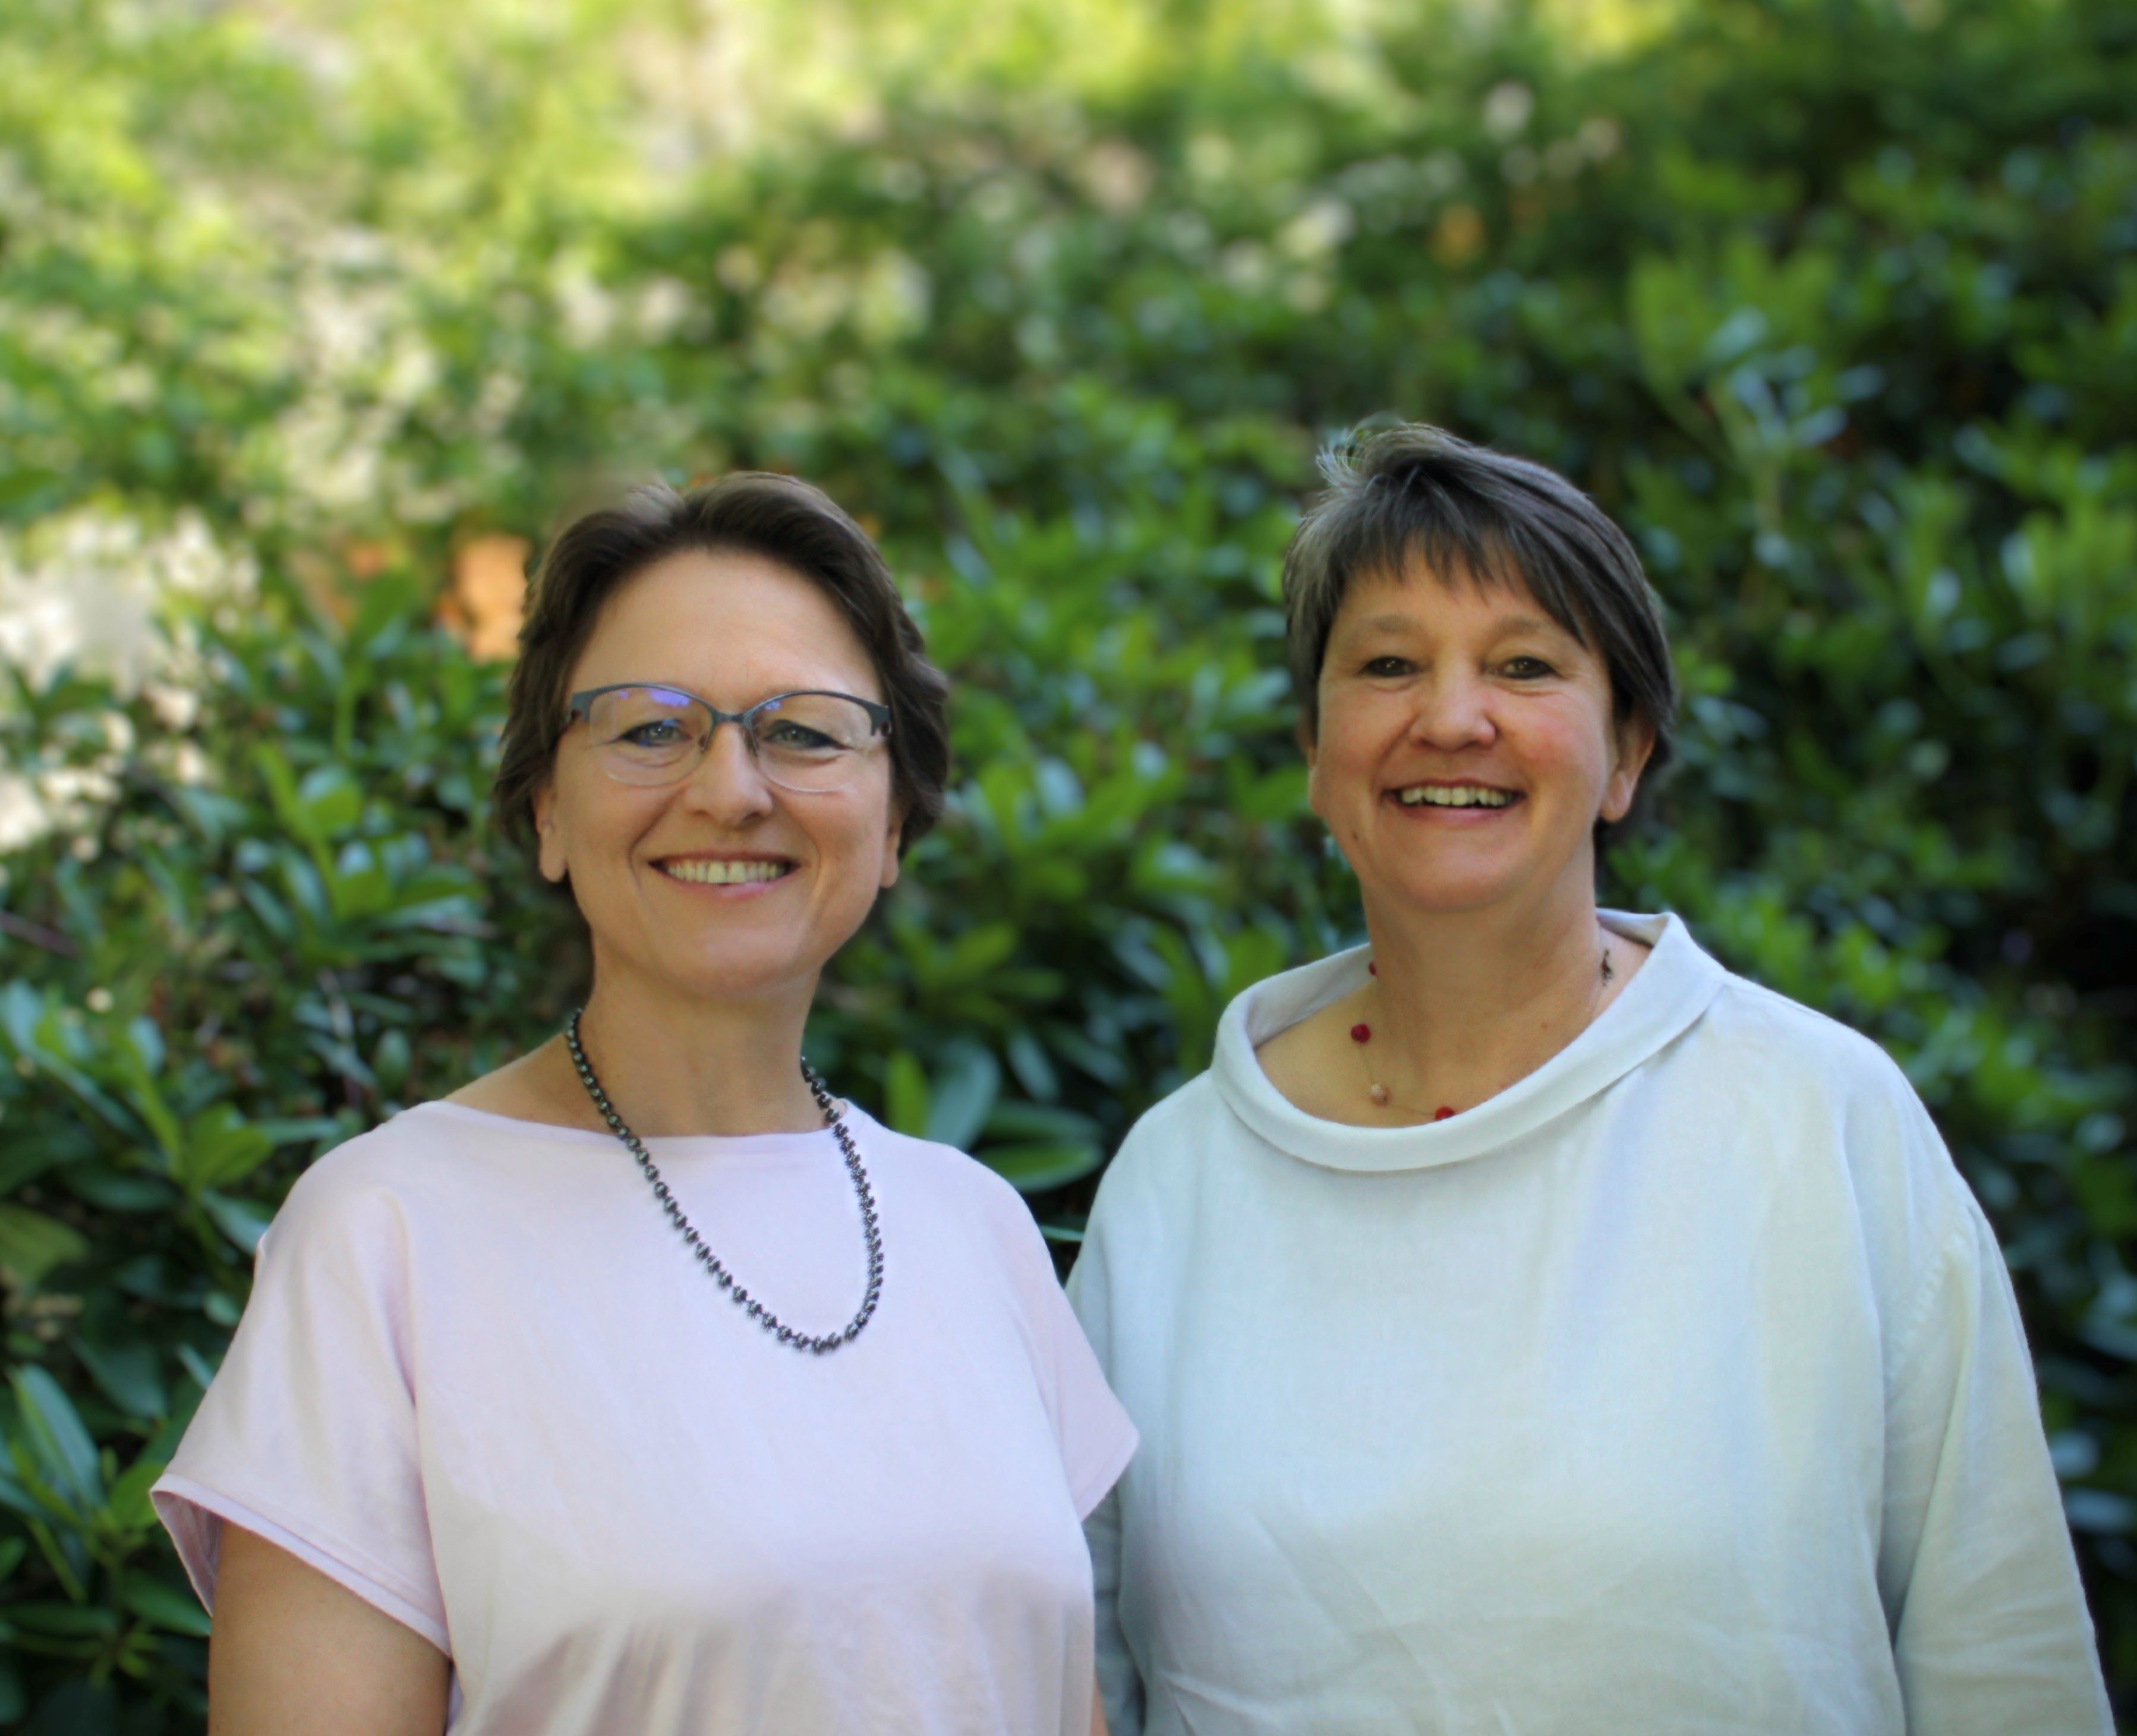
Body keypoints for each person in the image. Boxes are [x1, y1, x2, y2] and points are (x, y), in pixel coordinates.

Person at [1068, 424, 2110, 1735]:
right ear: (1316, 754)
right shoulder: (1177, 1180)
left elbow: (2002, 1658)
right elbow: (1072, 1671)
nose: (1451, 718)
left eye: (1524, 664)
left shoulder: (1820, 1122)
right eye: (1387, 665)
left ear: (1627, 752)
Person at [153, 474, 1134, 1735]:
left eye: (805, 731)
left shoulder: (974, 1224)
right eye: (649, 728)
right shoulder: (385, 1231)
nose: (731, 788)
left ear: (894, 822)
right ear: (549, 812)